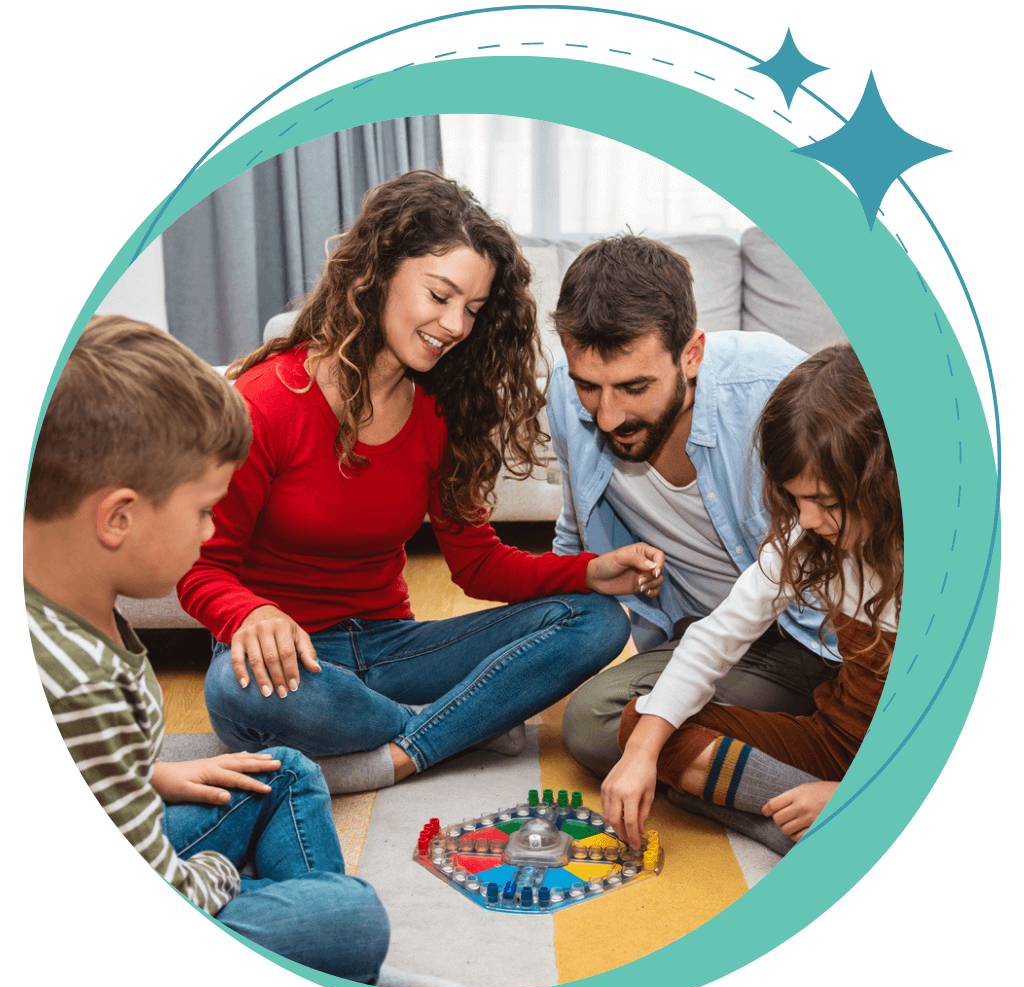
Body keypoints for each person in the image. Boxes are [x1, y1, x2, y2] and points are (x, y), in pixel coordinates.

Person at [178, 170, 660, 796]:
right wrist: (252, 613)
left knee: (598, 621)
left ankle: (399, 750)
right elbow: (198, 566)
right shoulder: (268, 401)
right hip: (290, 665)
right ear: (378, 271)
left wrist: (589, 572)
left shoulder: (439, 407)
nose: (456, 325)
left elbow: (478, 565)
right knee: (236, 694)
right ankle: (459, 726)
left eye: (473, 309)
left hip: (393, 651)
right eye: (440, 295)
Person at [25, 315, 398, 985]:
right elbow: (168, 893)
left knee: (281, 768)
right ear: (119, 517)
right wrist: (223, 871)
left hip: (120, 839)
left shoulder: (59, 598)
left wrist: (151, 777)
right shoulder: (80, 684)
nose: (211, 532)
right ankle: (318, 957)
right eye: (204, 511)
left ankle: (316, 949)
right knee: (351, 918)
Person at [547, 234, 842, 779]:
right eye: (589, 386)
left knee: (647, 738)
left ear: (692, 353)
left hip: (823, 642)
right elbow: (574, 528)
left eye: (635, 386)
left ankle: (813, 765)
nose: (608, 417)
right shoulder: (568, 399)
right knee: (592, 724)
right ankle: (787, 756)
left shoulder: (774, 388)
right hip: (710, 641)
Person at [601, 345, 901, 853]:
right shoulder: (807, 539)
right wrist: (641, 751)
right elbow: (716, 637)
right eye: (796, 500)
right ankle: (807, 830)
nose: (804, 520)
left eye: (825, 502)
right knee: (643, 725)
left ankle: (849, 821)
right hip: (837, 740)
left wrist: (856, 795)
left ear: (885, 484)